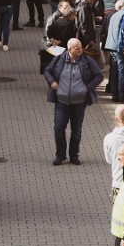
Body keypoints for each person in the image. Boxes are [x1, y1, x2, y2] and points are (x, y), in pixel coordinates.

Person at [44, 38, 103, 166]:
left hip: (79, 103)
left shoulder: (87, 61)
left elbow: (99, 76)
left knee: (76, 131)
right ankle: (60, 155)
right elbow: (47, 71)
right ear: (69, 49)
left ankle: (74, 155)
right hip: (61, 102)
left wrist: (87, 88)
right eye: (77, 48)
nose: (80, 50)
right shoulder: (59, 60)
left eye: (80, 47)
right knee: (58, 129)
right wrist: (52, 82)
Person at [104, 0, 124, 103]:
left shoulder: (114, 15)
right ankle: (122, 96)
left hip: (112, 46)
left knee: (114, 72)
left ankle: (115, 94)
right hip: (120, 48)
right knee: (122, 73)